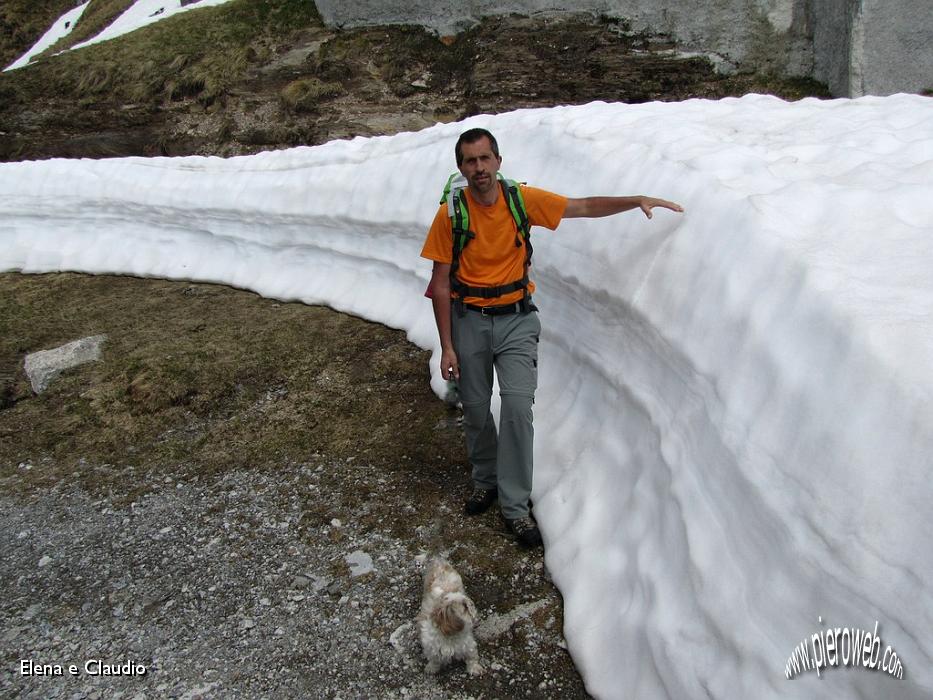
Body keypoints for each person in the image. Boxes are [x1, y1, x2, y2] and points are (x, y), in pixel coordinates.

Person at [421, 128, 683, 547]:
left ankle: (514, 506)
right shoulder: (452, 215)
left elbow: (580, 206)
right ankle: (485, 479)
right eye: (470, 161)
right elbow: (439, 283)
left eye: (486, 158)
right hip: (469, 320)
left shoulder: (520, 200)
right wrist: (448, 345)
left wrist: (634, 200)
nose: (479, 168)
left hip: (517, 319)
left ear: (499, 161)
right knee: (473, 406)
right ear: (461, 168)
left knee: (518, 408)